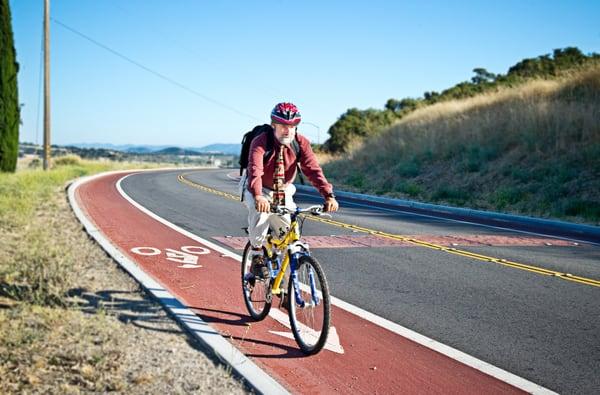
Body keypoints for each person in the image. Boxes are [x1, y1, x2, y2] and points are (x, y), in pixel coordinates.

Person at [243, 102, 339, 278]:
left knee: (287, 234)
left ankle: (288, 291)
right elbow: (255, 170)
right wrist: (258, 196)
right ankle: (256, 256)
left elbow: (313, 170)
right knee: (261, 215)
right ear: (274, 125)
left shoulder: (300, 143)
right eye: (283, 126)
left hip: (283, 189)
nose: (287, 130)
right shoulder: (261, 141)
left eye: (292, 126)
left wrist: (328, 195)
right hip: (258, 187)